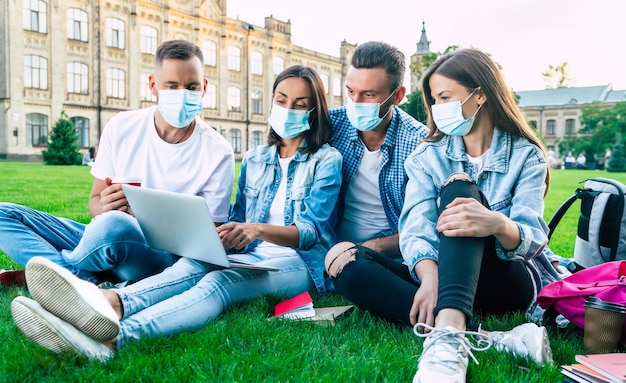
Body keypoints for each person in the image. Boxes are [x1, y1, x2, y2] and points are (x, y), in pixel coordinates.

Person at [11, 65, 343, 361]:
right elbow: (237, 216)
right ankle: (109, 302)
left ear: (314, 112)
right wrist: (223, 236)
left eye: (300, 105)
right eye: (282, 100)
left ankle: (113, 339)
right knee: (190, 266)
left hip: (299, 263)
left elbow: (311, 230)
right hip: (249, 251)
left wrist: (255, 230)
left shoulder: (327, 160)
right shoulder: (256, 158)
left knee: (218, 283)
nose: (288, 110)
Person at [0, 40, 234, 285]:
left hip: (159, 255)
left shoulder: (218, 151)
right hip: (101, 236)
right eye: (172, 86)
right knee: (4, 214)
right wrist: (105, 207)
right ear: (153, 86)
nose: (183, 95)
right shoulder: (121, 127)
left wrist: (136, 218)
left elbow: (209, 241)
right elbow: (95, 201)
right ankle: (82, 280)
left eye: (192, 86)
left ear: (205, 87)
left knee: (115, 225)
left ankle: (60, 274)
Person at [400, 49, 558, 382]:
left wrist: (496, 223)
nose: (438, 108)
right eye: (434, 100)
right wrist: (430, 277)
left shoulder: (525, 155)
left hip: (506, 279)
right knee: (348, 263)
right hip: (448, 277)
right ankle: (492, 338)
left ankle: (446, 349)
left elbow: (532, 240)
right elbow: (415, 230)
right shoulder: (426, 156)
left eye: (446, 97)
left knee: (459, 187)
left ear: (480, 94)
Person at [328, 41, 428, 260]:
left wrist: (376, 247)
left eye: (369, 95)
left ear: (398, 96)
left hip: (389, 252)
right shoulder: (329, 125)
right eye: (351, 92)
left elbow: (426, 225)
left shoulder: (419, 143)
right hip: (328, 242)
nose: (355, 102)